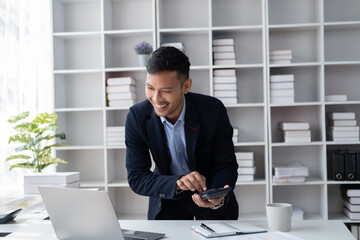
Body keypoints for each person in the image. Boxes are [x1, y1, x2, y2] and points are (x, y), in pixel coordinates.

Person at [125, 46, 239, 220]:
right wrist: (178, 183)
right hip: (167, 197)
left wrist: (216, 195)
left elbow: (225, 164)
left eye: (166, 90)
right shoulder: (137, 117)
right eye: (150, 88)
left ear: (186, 86)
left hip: (210, 197)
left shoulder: (213, 110)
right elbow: (137, 177)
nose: (156, 99)